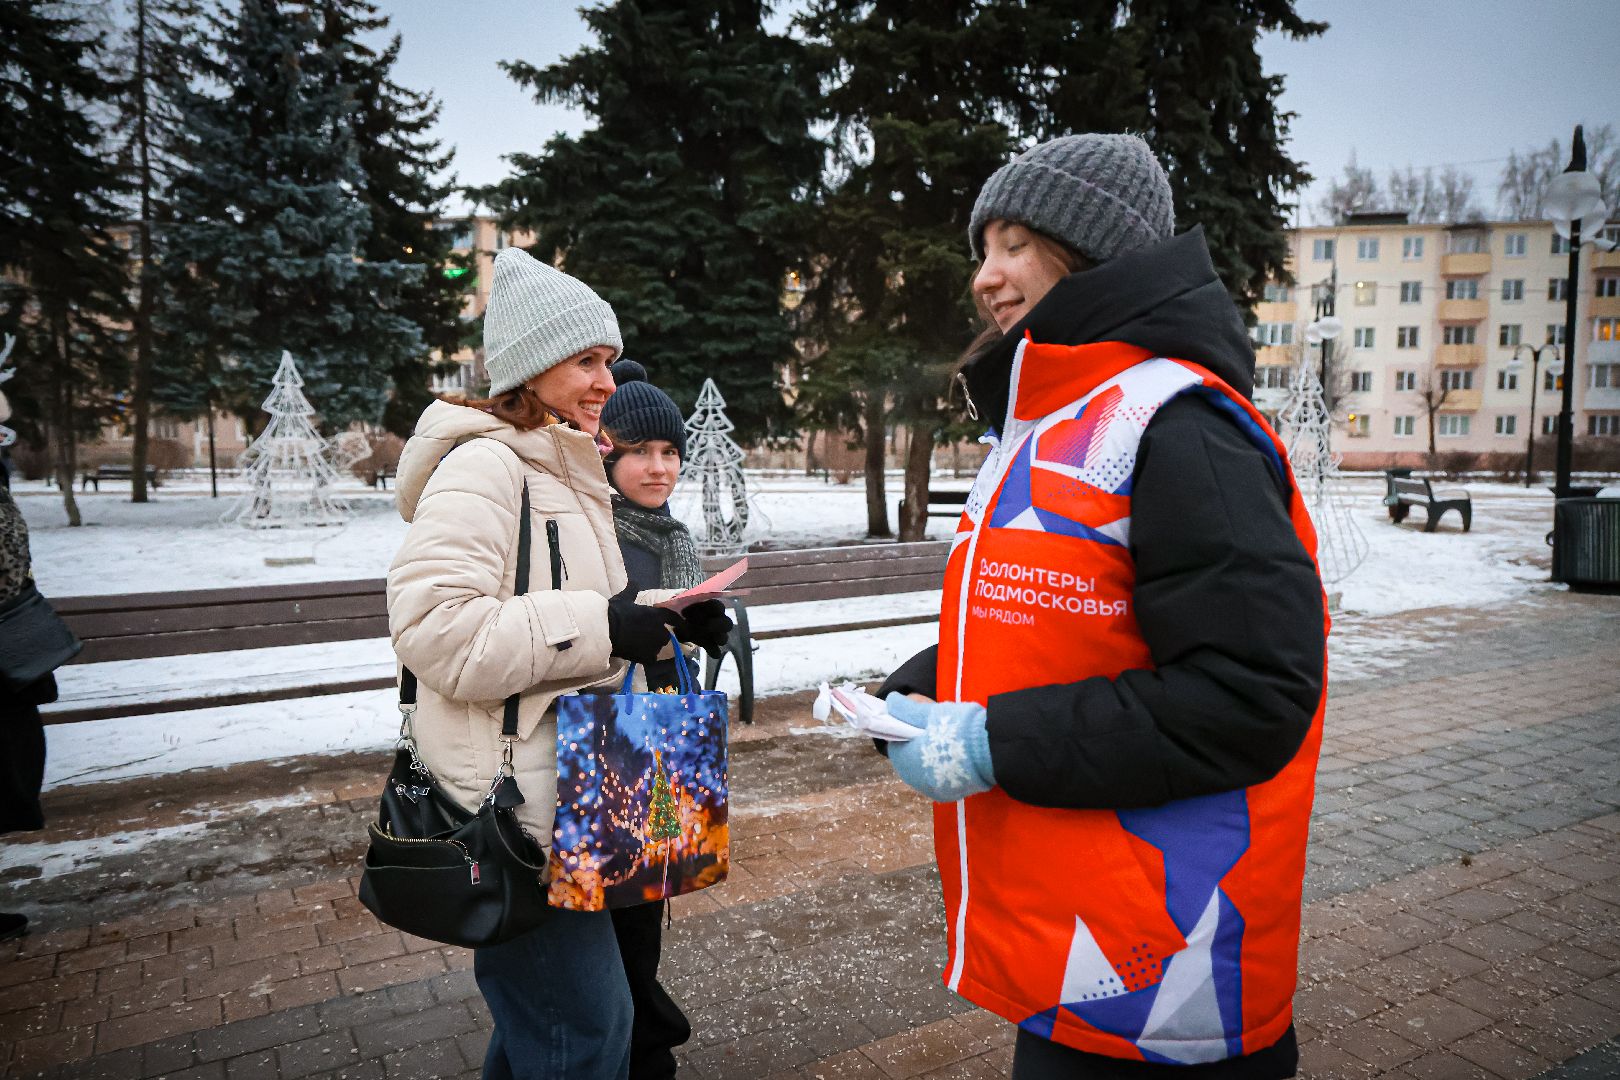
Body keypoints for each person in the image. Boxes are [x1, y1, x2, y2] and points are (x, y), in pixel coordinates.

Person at [876, 134, 1328, 1079]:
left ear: (1088, 251)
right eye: (980, 251)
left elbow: (1251, 696)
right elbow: (1073, 622)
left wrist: (994, 741)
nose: (984, 278)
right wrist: (926, 690)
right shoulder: (1054, 415)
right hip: (1069, 947)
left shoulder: (1180, 425)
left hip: (1164, 980)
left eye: (1013, 245)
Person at [386, 248, 730, 1080]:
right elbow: (435, 629)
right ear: (531, 368)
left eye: (609, 359)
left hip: (573, 788)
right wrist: (606, 626)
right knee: (586, 1031)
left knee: (551, 1031)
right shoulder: (485, 466)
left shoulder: (562, 467)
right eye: (587, 360)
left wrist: (666, 618)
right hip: (507, 813)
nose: (606, 380)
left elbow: (574, 610)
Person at [598, 357, 702, 1080]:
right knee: (614, 910)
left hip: (661, 736)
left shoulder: (671, 534)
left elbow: (666, 636)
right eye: (640, 451)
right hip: (601, 742)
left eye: (669, 453)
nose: (658, 468)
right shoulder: (590, 530)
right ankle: (642, 1045)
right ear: (606, 452)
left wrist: (699, 627)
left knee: (645, 902)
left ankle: (643, 1040)